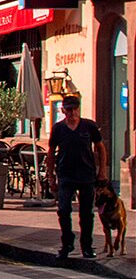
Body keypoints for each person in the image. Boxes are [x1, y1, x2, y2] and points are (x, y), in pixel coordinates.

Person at [46, 95, 106, 260]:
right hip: (65, 175)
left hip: (86, 175)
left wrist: (102, 171)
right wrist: (50, 176)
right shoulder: (58, 128)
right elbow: (51, 152)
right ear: (63, 110)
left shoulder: (89, 126)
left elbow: (100, 148)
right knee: (64, 210)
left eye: (74, 109)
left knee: (86, 213)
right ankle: (67, 244)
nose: (72, 112)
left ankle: (87, 246)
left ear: (78, 109)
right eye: (69, 109)